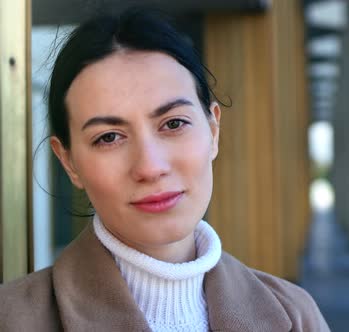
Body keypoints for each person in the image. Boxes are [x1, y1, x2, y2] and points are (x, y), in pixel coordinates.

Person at [0, 8, 329, 332]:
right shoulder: (12, 319)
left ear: (213, 131)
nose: (150, 167)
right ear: (69, 162)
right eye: (109, 137)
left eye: (173, 123)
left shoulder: (294, 313)